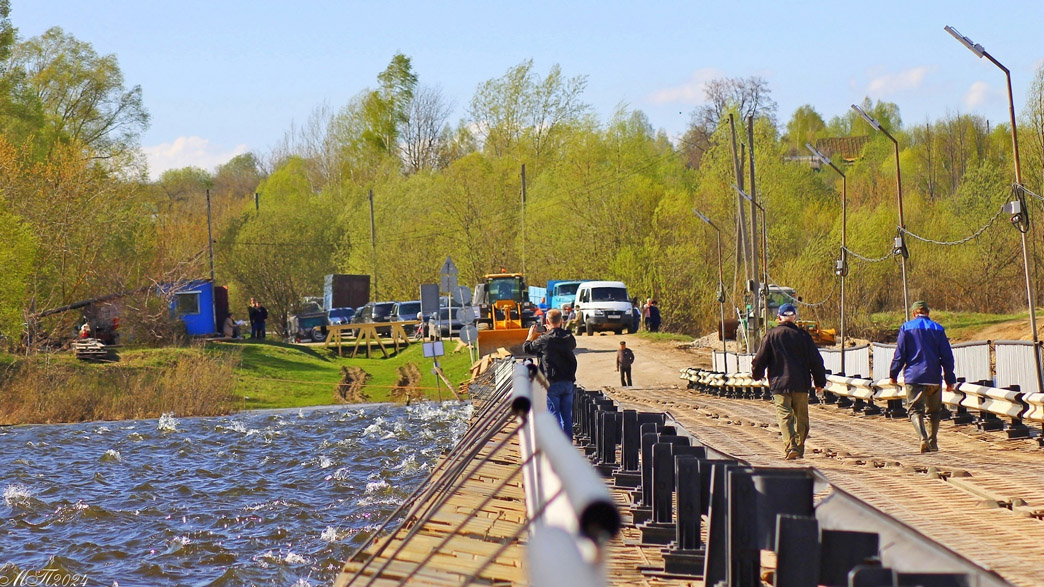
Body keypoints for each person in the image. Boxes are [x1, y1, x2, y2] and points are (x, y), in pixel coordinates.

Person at [751, 303, 826, 460]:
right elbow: (816, 361)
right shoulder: (804, 336)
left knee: (785, 417)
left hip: (779, 385)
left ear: (779, 317)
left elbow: (759, 360)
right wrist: (819, 382)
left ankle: (791, 446)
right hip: (801, 384)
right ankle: (798, 448)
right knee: (802, 419)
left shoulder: (771, 335)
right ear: (795, 318)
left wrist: (757, 375)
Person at [889, 301, 956, 453]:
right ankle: (933, 442)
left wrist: (893, 373)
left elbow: (900, 354)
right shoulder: (938, 328)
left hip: (914, 376)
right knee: (934, 412)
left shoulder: (906, 328)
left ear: (913, 313)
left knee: (915, 410)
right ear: (928, 312)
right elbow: (947, 356)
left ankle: (923, 438)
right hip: (933, 376)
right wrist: (949, 378)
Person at [522, 308, 578, 438]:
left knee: (554, 415)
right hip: (568, 382)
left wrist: (530, 335)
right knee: (566, 417)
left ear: (547, 321)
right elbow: (569, 344)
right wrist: (554, 331)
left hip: (552, 382)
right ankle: (567, 446)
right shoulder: (569, 337)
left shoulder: (544, 340)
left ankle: (557, 445)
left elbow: (527, 348)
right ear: (562, 321)